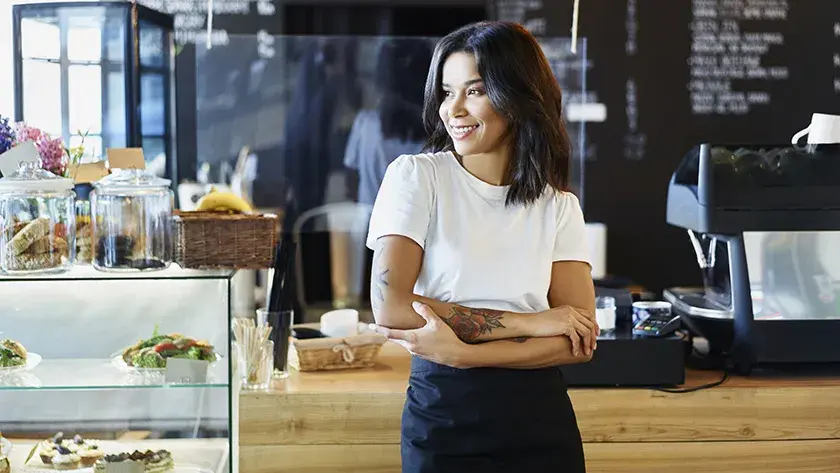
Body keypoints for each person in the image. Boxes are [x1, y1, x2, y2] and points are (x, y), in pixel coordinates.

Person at [365, 21, 598, 473]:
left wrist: (464, 353)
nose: (454, 109)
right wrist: (534, 323)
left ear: (519, 96)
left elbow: (577, 343)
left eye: (474, 91)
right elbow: (391, 307)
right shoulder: (417, 177)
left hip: (540, 423)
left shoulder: (560, 207)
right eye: (447, 92)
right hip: (445, 419)